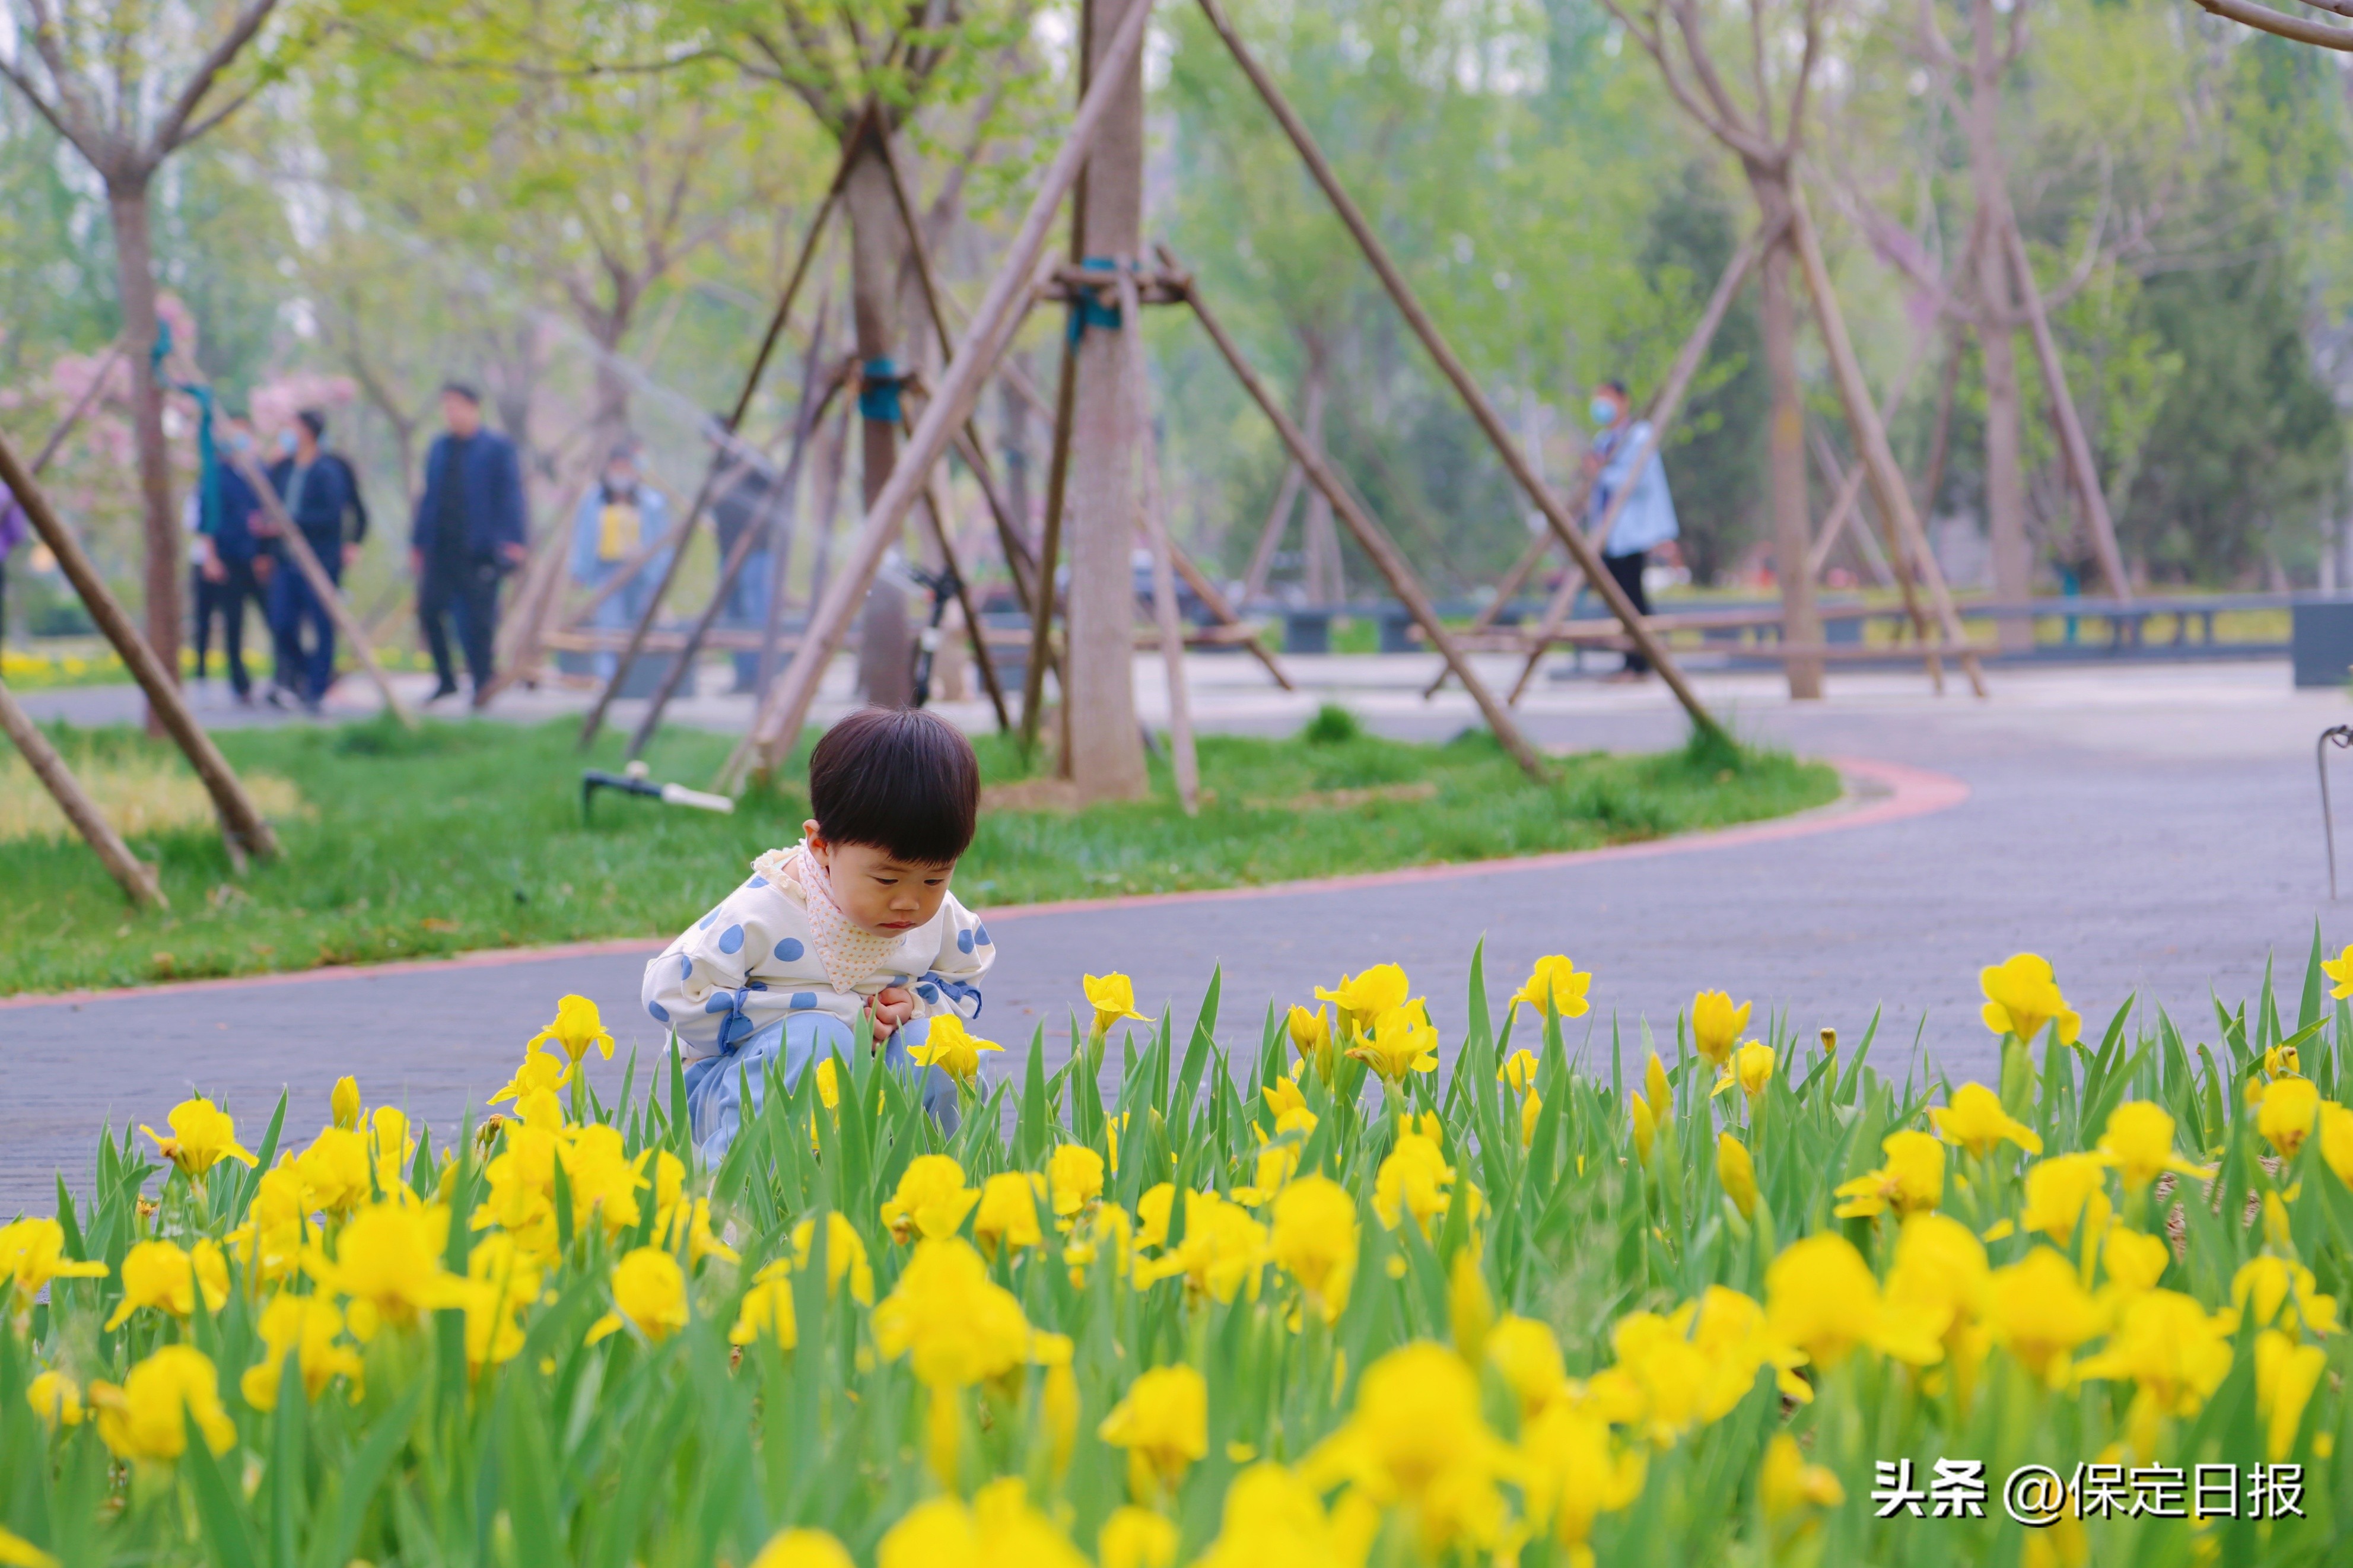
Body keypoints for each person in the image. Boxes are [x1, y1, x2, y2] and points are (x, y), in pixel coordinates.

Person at [641, 707, 993, 1163]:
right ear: (821, 846)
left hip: (867, 1088)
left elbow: (962, 982)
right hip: (734, 1090)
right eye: (886, 879)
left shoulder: (939, 917)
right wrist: (833, 1013)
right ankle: (741, 1188)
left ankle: (926, 1182)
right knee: (814, 1040)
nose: (909, 902)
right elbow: (669, 993)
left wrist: (916, 1005)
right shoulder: (764, 913)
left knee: (939, 1048)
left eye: (935, 878)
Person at [412, 382, 528, 704]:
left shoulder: (496, 448)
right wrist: (418, 542)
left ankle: (482, 683)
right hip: (441, 548)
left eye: (455, 406)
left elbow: (511, 496)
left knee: (478, 621)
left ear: (473, 407)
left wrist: (513, 540)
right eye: (446, 407)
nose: (450, 413)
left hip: (480, 549)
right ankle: (445, 679)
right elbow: (429, 497)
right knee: (429, 610)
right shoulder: (440, 448)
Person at [262, 410, 368, 713]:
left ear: (308, 432)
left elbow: (336, 514)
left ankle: (316, 689)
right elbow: (268, 505)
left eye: (294, 428)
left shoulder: (330, 469)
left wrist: (289, 523)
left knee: (322, 623)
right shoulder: (283, 468)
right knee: (281, 622)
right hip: (285, 558)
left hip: (320, 558)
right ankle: (306, 673)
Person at [1583, 379, 1680, 678]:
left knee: (1632, 599)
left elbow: (1636, 482)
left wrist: (1601, 473)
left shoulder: (1638, 436)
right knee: (1616, 600)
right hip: (1608, 533)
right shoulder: (1604, 440)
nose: (1601, 404)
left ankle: (1643, 661)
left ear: (1623, 400)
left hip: (1631, 532)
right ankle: (1631, 661)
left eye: (1607, 397)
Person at [568, 441, 670, 681]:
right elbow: (584, 537)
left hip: (642, 571)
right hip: (608, 570)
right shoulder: (594, 501)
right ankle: (609, 677)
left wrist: (659, 571)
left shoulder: (651, 502)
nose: (621, 474)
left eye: (626, 469)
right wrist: (579, 571)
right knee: (609, 625)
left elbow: (662, 540)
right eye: (617, 468)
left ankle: (638, 676)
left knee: (640, 623)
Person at [188, 415, 270, 705]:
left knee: (274, 618)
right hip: (226, 560)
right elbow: (205, 521)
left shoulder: (260, 474)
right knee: (227, 622)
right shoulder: (215, 475)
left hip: (256, 561)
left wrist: (264, 554)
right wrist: (210, 558)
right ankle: (232, 682)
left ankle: (286, 678)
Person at [707, 429, 781, 693]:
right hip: (727, 551)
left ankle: (763, 677)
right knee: (735, 617)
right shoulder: (717, 467)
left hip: (756, 551)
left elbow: (776, 484)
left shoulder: (754, 464)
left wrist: (747, 457)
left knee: (757, 614)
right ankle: (743, 677)